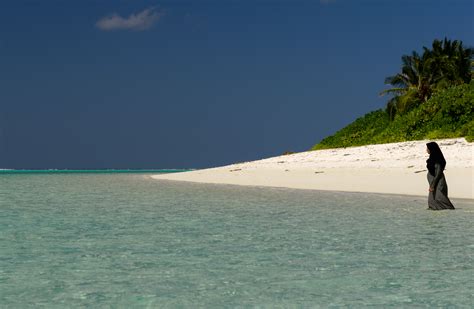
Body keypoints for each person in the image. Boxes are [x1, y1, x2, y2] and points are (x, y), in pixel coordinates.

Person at [426, 142, 455, 210]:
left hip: (438, 180)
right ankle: (434, 208)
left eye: (428, 148)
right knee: (433, 196)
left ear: (432, 149)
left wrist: (433, 185)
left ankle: (449, 209)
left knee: (440, 196)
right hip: (433, 180)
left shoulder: (437, 159)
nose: (426, 150)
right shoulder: (432, 158)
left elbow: (438, 173)